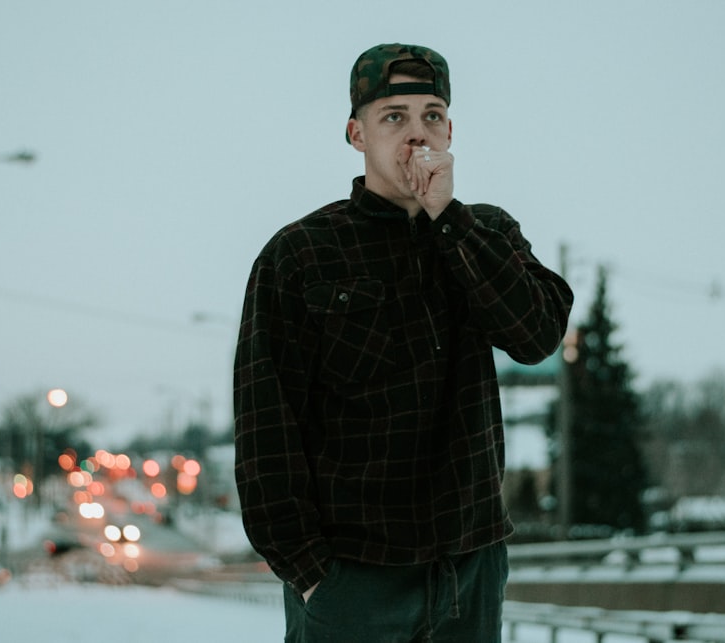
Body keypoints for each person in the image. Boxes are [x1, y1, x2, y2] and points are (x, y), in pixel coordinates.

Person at [233, 43, 573, 642]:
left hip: (471, 571)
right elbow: (266, 428)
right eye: (394, 116)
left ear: (450, 129)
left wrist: (449, 218)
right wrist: (311, 573)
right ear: (355, 132)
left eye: (432, 115)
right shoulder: (300, 254)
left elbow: (537, 334)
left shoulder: (485, 232)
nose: (417, 135)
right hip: (353, 579)